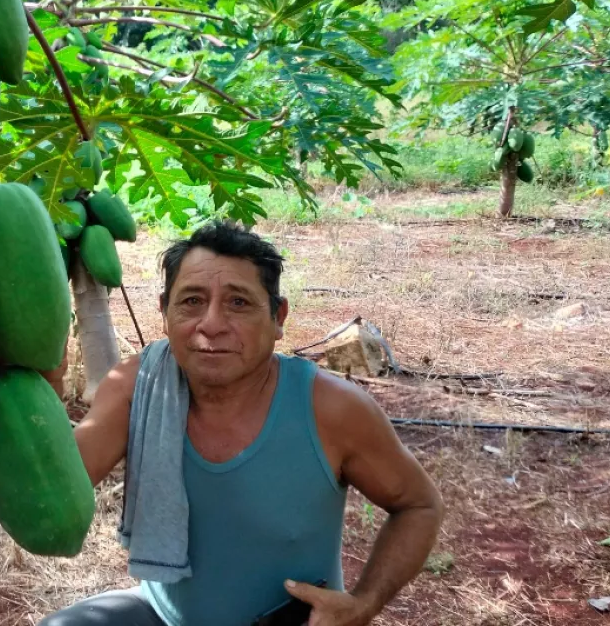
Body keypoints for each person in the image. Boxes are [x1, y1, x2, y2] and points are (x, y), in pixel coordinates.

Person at [42, 220, 443, 626]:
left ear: (278, 316)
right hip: (161, 616)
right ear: (164, 311)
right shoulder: (138, 386)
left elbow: (419, 505)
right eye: (192, 301)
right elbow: (57, 487)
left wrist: (364, 603)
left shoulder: (331, 409)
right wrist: (43, 389)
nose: (211, 324)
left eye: (238, 303)